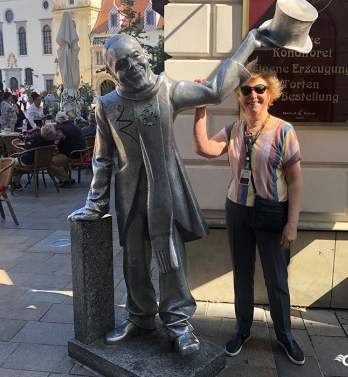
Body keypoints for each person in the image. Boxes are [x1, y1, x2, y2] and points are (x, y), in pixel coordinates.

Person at [68, 31, 265, 356]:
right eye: (123, 64)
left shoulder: (167, 89)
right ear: (114, 72)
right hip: (129, 198)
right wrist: (94, 203)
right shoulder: (106, 105)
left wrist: (251, 44)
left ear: (145, 54)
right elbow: (102, 159)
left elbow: (214, 91)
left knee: (171, 261)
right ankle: (140, 318)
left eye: (136, 56)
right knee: (133, 264)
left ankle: (178, 324)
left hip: (166, 196)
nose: (134, 66)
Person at [192, 60, 304, 364]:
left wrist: (292, 224)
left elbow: (295, 182)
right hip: (237, 210)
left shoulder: (284, 131)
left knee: (276, 279)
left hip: (272, 213)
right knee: (242, 276)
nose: (253, 94)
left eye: (259, 89)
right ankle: (242, 330)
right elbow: (204, 148)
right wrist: (200, 110)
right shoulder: (234, 130)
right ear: (239, 96)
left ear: (270, 94)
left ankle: (285, 336)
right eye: (246, 89)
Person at [12, 123, 56, 191]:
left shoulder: (34, 138)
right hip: (44, 162)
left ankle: (15, 184)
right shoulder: (52, 140)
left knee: (11, 162)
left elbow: (21, 135)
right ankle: (15, 183)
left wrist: (33, 129)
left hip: (30, 162)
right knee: (18, 166)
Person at [50, 111, 86, 188]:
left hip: (71, 155)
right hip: (81, 153)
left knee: (48, 163)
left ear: (58, 121)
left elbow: (55, 143)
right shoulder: (75, 126)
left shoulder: (62, 129)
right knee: (60, 156)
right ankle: (65, 178)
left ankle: (66, 179)